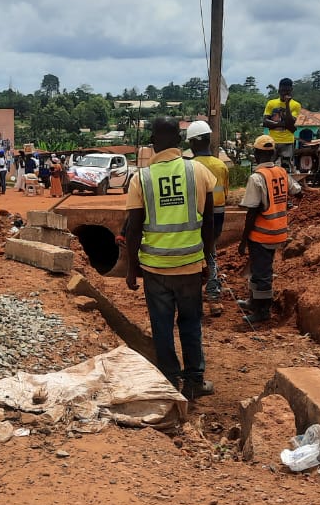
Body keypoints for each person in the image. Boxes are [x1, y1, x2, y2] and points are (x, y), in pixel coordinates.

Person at [124, 117, 217, 400]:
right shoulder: (199, 172)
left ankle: (169, 380)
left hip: (156, 268)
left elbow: (133, 228)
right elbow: (209, 224)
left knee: (162, 324)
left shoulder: (141, 178)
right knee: (190, 323)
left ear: (154, 144)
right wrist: (206, 261)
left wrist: (131, 268)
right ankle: (194, 380)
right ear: (179, 141)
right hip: (189, 265)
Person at [238, 135, 302, 323]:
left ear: (256, 154)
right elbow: (299, 191)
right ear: (273, 153)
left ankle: (262, 312)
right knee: (259, 268)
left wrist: (243, 239)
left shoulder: (257, 178)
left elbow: (252, 211)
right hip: (279, 231)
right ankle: (253, 301)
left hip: (261, 234)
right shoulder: (282, 172)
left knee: (262, 273)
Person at [184, 119, 230, 303]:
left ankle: (194, 294)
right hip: (217, 216)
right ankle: (213, 294)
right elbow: (224, 194)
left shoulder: (188, 167)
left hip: (196, 216)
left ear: (192, 142)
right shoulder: (221, 166)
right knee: (211, 252)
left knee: (194, 255)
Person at [263, 77, 300, 171]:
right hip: (272, 141)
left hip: (287, 142)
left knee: (286, 168)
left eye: (287, 91)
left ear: (291, 91)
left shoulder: (295, 105)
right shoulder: (271, 103)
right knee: (269, 166)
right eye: (283, 90)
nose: (285, 93)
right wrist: (283, 124)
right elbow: (265, 122)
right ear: (279, 90)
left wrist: (287, 104)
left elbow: (291, 121)